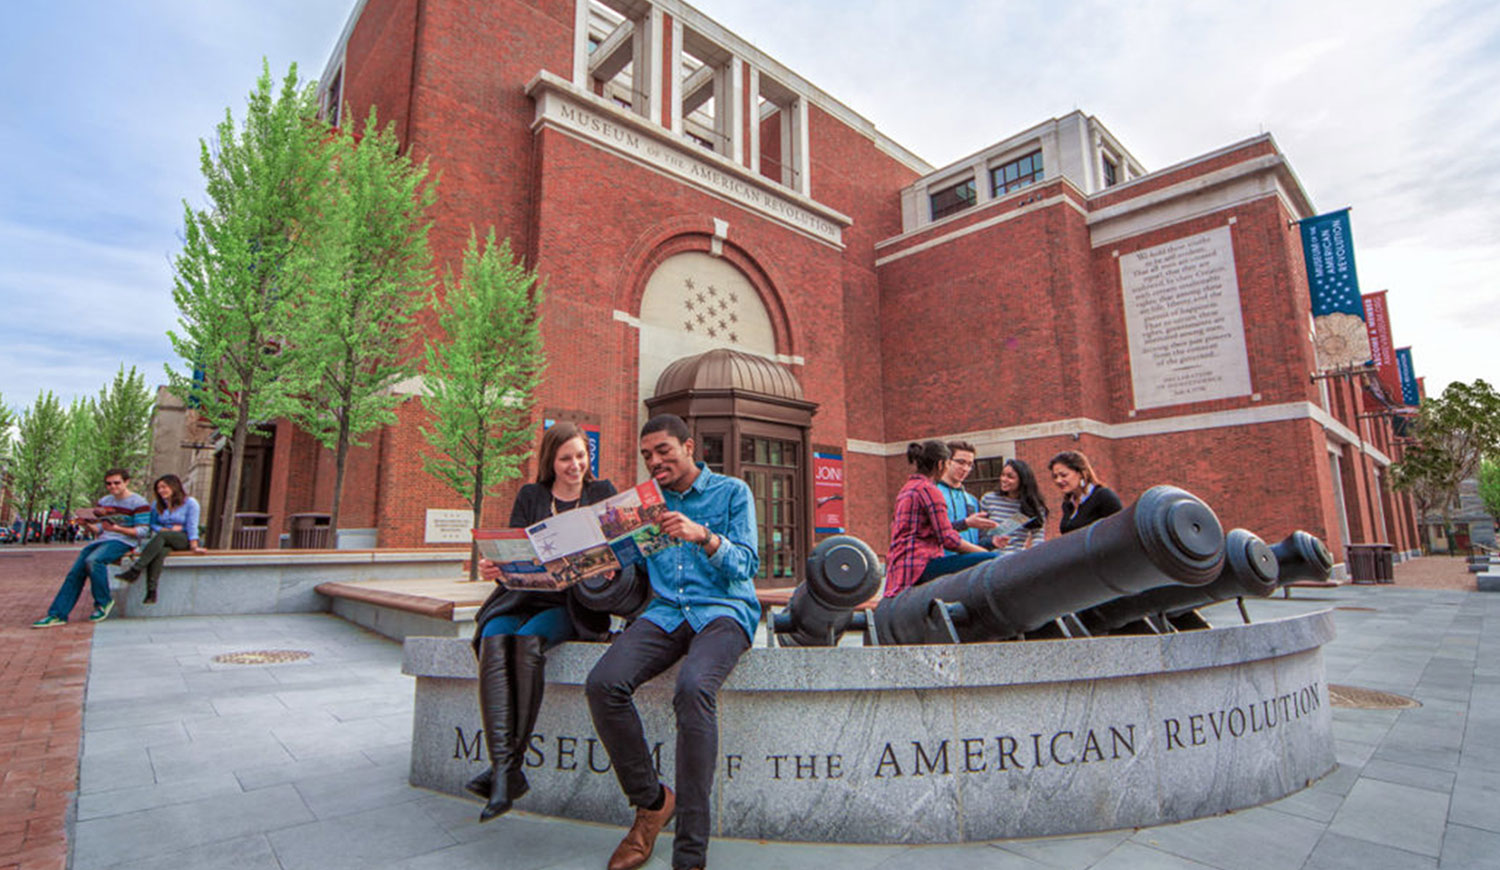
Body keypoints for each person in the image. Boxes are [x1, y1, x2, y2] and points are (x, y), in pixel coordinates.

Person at [585, 414, 760, 870]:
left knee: (693, 689)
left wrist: (703, 535)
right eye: (647, 455)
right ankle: (652, 801)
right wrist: (608, 566)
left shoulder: (732, 493)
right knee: (603, 683)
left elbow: (746, 566)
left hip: (723, 612)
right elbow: (629, 571)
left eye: (663, 451)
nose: (654, 461)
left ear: (688, 446)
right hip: (663, 613)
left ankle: (689, 855)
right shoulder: (643, 504)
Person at [470, 422, 618, 822]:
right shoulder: (531, 495)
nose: (575, 465)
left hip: (574, 605)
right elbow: (513, 550)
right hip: (522, 595)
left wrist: (606, 566)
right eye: (566, 458)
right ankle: (506, 769)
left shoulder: (601, 493)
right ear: (550, 461)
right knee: (495, 635)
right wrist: (495, 566)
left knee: (527, 639)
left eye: (581, 456)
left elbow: (622, 552)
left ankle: (505, 773)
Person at [31, 469, 149, 627]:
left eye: (116, 483)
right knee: (75, 573)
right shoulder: (104, 501)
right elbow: (99, 529)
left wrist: (117, 529)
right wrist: (87, 524)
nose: (112, 486)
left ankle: (103, 602)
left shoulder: (139, 503)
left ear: (126, 482)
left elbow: (142, 531)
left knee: (94, 560)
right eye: (109, 484)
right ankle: (57, 614)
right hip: (102, 540)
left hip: (124, 541)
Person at [883, 440, 996, 599]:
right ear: (942, 464)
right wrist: (986, 553)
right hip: (921, 565)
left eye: (969, 464)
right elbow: (949, 539)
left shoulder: (908, 488)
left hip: (901, 568)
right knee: (994, 560)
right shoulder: (930, 490)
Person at [117, 474, 207, 603]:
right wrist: (163, 529)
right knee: (160, 552)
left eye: (164, 487)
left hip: (185, 539)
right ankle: (151, 593)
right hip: (164, 538)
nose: (161, 491)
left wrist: (194, 546)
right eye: (158, 488)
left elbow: (192, 526)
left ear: (174, 486)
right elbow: (152, 524)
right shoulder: (157, 504)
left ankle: (135, 570)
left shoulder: (190, 503)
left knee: (162, 537)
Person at [934, 440, 997, 552]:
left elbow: (979, 540)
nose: (965, 469)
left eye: (969, 465)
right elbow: (931, 532)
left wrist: (992, 542)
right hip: (942, 562)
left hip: (970, 563)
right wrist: (965, 523)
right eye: (961, 462)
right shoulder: (931, 494)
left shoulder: (972, 500)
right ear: (946, 462)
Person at [979, 458, 1049, 555]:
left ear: (1022, 480)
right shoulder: (989, 499)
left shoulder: (1032, 507)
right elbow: (980, 532)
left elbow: (1038, 537)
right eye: (1003, 475)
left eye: (1010, 477)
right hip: (990, 557)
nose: (1004, 479)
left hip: (1016, 559)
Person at [1050, 450, 1123, 534]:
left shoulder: (1103, 496)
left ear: (1081, 473)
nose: (1058, 480)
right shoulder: (1068, 504)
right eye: (1055, 477)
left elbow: (1120, 530)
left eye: (1064, 475)